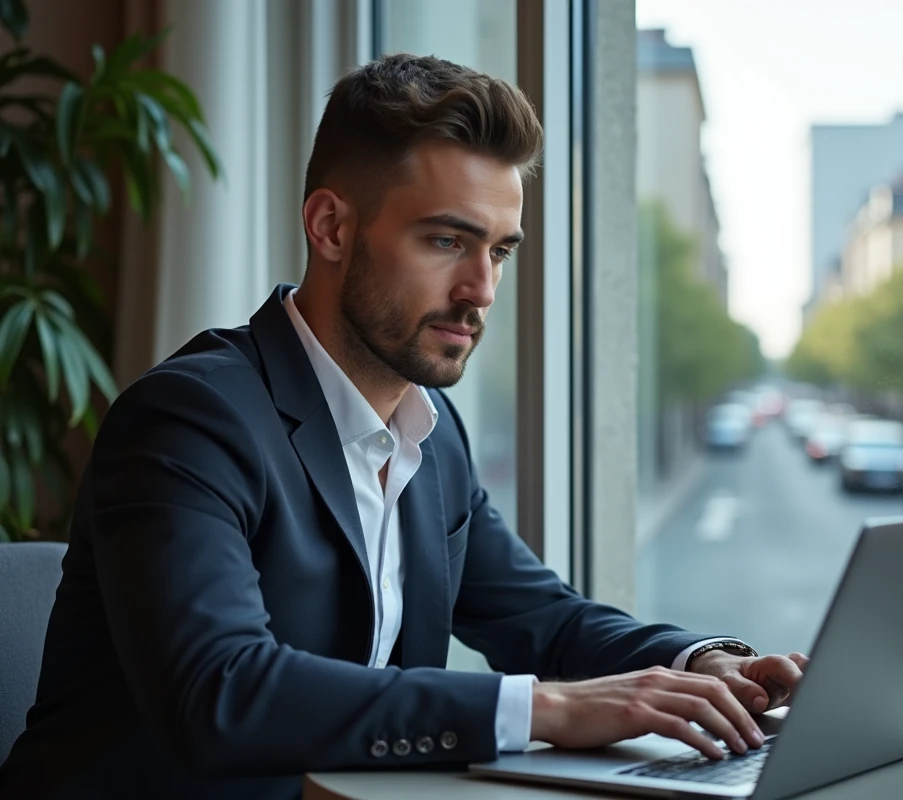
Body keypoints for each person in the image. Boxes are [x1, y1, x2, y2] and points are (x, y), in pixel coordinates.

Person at [0, 54, 807, 800]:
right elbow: (223, 692)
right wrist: (548, 709)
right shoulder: (188, 420)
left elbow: (545, 618)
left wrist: (709, 666)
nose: (481, 289)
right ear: (332, 228)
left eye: (499, 251)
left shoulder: (431, 432)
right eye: (447, 240)